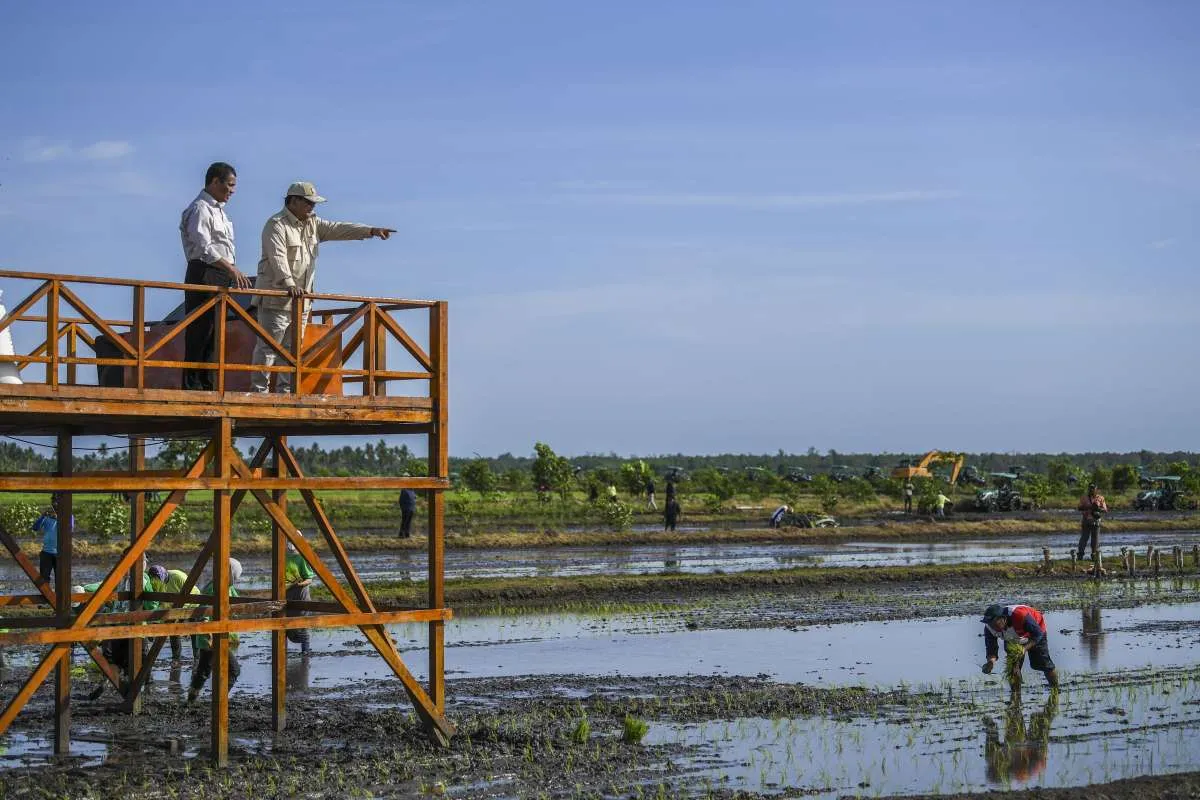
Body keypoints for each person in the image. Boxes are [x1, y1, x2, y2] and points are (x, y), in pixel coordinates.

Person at [251, 181, 395, 393]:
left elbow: (339, 229)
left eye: (313, 203)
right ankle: (259, 392)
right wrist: (290, 284)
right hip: (276, 298)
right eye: (308, 203)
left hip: (301, 301)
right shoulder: (276, 224)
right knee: (268, 348)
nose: (312, 207)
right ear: (293, 201)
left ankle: (284, 393)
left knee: (292, 351)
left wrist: (371, 230)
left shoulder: (313, 224)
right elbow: (277, 258)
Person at [180, 162, 251, 391]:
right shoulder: (201, 208)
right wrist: (230, 268)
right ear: (214, 181)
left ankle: (208, 381)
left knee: (215, 330)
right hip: (205, 271)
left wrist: (229, 269)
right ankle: (192, 384)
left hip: (220, 272)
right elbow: (204, 248)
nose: (232, 191)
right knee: (200, 328)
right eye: (229, 185)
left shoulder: (219, 210)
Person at [187, 558, 244, 704]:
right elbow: (205, 611)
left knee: (203, 671)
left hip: (220, 635)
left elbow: (237, 604)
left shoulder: (228, 587)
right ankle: (218, 701)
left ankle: (191, 700)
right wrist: (209, 635)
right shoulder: (214, 587)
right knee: (234, 670)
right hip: (213, 636)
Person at [980, 604, 1059, 688]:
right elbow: (991, 648)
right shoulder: (989, 628)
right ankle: (1015, 694)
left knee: (1043, 663)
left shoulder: (1020, 615)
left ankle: (1055, 689)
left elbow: (1038, 634)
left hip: (1034, 632)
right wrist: (990, 663)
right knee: (1013, 667)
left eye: (994, 623)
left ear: (1003, 618)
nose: (992, 626)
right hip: (1012, 637)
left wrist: (1024, 649)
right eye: (989, 623)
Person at [148, 564, 201, 662]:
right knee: (173, 630)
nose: (157, 581)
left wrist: (180, 614)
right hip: (174, 607)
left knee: (194, 631)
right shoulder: (155, 583)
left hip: (193, 604)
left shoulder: (177, 576)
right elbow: (160, 603)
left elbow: (192, 594)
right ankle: (176, 657)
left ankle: (197, 657)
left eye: (158, 578)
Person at [285, 535, 317, 654]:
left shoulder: (302, 558)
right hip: (285, 595)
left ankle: (305, 652)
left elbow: (309, 578)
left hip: (300, 595)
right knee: (285, 625)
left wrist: (298, 584)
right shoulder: (281, 556)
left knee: (303, 625)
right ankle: (282, 652)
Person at [32, 493, 71, 587]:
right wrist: (43, 516)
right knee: (44, 581)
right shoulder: (46, 516)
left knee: (61, 581)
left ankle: (58, 600)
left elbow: (70, 528)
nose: (55, 504)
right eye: (53, 501)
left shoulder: (68, 515)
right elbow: (35, 528)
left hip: (61, 553)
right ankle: (47, 599)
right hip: (46, 553)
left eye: (57, 502)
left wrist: (60, 518)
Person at [1076, 483, 1108, 561]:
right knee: (1084, 538)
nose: (1092, 490)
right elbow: (1079, 507)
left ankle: (1094, 556)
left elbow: (1105, 510)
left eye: (1093, 488)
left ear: (1096, 489)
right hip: (1086, 520)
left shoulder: (1100, 498)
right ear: (1088, 489)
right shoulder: (1084, 498)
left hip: (1096, 521)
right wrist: (1089, 507)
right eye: (1090, 488)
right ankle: (1080, 555)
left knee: (1095, 540)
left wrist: (1097, 509)